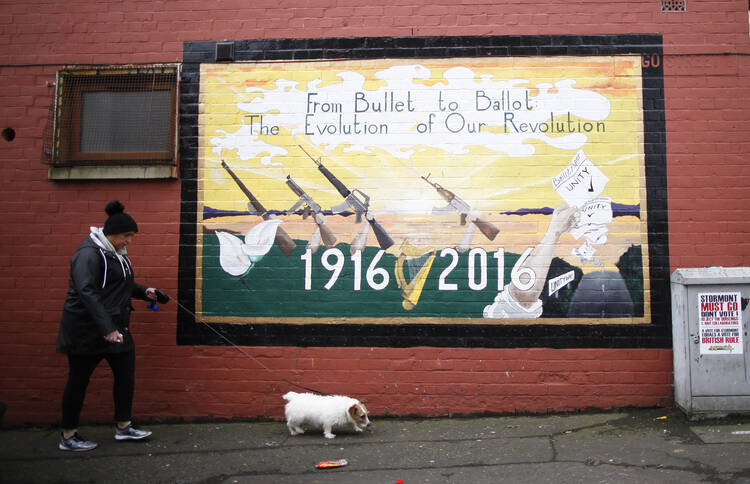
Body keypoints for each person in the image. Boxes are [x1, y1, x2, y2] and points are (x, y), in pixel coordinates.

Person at [56, 201, 159, 451]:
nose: (129, 241)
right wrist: (106, 329)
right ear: (111, 233)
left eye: (131, 236)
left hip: (116, 326)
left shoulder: (115, 254)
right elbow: (86, 292)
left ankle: (124, 427)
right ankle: (68, 435)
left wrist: (146, 292)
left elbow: (120, 285)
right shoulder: (89, 254)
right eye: (127, 236)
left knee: (126, 377)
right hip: (86, 330)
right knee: (78, 382)